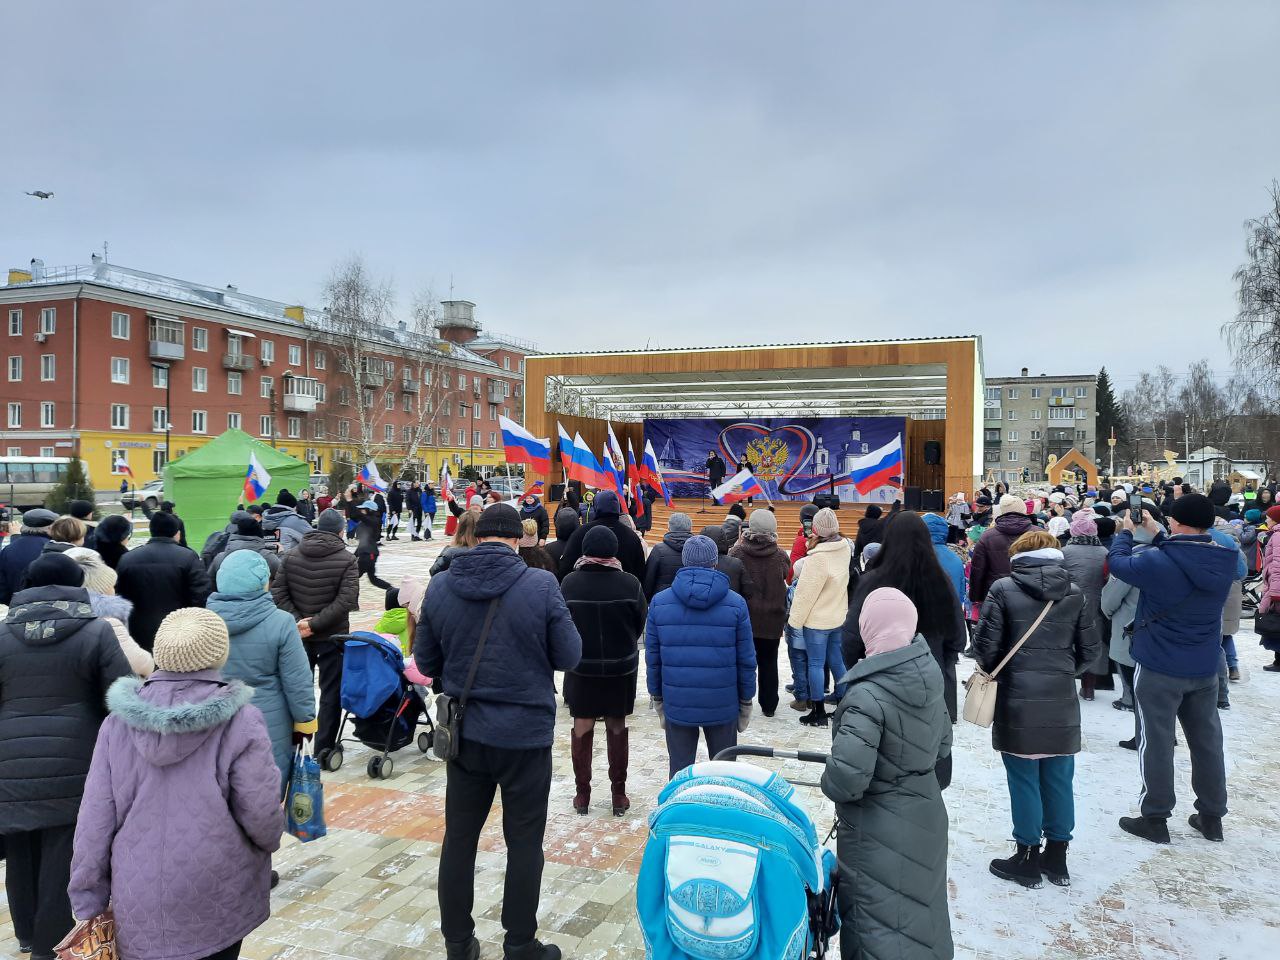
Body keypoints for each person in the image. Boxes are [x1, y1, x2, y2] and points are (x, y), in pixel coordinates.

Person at [415, 503, 582, 960]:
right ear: (516, 539)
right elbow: (569, 655)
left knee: (459, 841)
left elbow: (426, 664)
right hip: (525, 737)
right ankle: (520, 944)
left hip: (466, 735)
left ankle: (458, 943)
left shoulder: (442, 586)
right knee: (524, 842)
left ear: (476, 537)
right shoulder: (540, 584)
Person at [68, 608, 284, 960]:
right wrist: (271, 840)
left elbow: (95, 820)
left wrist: (87, 897)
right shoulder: (241, 721)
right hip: (218, 890)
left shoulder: (116, 725)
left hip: (137, 893)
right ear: (219, 653)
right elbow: (260, 811)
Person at [0, 553, 133, 959]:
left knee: (20, 849)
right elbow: (120, 699)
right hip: (77, 761)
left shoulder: (2, 634)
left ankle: (25, 933)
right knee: (65, 852)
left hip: (10, 761)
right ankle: (49, 945)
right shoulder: (96, 632)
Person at [822, 587, 953, 960]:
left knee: (875, 925)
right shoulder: (928, 677)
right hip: (925, 814)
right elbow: (942, 745)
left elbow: (846, 780)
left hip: (878, 827)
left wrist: (830, 776)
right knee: (921, 919)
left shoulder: (868, 694)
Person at [1109, 493, 1237, 844]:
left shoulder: (1157, 562)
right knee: (1207, 741)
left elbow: (1119, 564)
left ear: (1175, 522)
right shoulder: (1224, 559)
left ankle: (1155, 815)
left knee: (1157, 742)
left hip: (1159, 665)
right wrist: (1161, 534)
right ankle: (1212, 815)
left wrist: (1126, 532)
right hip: (1204, 664)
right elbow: (1187, 559)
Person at [972, 529, 1096, 888]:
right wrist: (1059, 672)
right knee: (1059, 777)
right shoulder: (1074, 593)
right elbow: (1090, 651)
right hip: (1060, 699)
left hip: (1017, 699)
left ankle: (1026, 854)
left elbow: (986, 650)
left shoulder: (1004, 590)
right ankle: (1057, 856)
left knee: (1023, 777)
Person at [844, 511, 966, 788]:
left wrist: (862, 672)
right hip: (932, 687)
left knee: (884, 771)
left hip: (882, 686)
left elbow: (850, 640)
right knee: (928, 773)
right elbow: (958, 638)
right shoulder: (942, 581)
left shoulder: (873, 581)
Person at [645, 535, 756, 777]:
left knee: (680, 773)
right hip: (723, 702)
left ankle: (683, 814)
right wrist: (746, 700)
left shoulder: (660, 603)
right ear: (715, 562)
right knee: (725, 775)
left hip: (678, 700)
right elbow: (746, 659)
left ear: (684, 562)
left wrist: (657, 697)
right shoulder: (735, 604)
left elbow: (653, 659)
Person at [209, 550, 316, 786]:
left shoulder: (204, 621)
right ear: (263, 583)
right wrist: (306, 722)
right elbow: (297, 680)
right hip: (269, 721)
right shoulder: (281, 622)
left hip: (215, 718)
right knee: (265, 788)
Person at [561, 527, 647, 816]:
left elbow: (562, 624)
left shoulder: (570, 583)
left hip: (581, 666)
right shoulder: (630, 583)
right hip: (619, 667)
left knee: (582, 725)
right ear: (614, 551)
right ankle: (618, 794)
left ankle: (582, 794)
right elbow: (639, 623)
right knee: (617, 725)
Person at [271, 508, 360, 764]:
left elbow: (278, 594)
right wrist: (316, 624)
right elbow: (346, 601)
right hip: (332, 636)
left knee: (297, 689)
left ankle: (296, 743)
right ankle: (323, 749)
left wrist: (301, 623)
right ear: (341, 531)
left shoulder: (290, 556)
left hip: (297, 637)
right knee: (330, 691)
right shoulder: (346, 559)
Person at [1100, 503, 1164, 735]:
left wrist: (1108, 613)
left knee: (1139, 689)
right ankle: (1164, 733)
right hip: (1163, 631)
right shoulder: (1168, 550)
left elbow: (1111, 599)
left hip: (1131, 627)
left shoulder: (1134, 556)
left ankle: (1145, 736)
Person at [788, 508, 851, 727]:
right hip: (837, 615)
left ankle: (818, 712)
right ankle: (844, 703)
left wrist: (794, 621)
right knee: (836, 660)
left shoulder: (818, 559)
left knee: (815, 664)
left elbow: (805, 595)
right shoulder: (845, 548)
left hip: (817, 621)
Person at [115, 512, 212, 651]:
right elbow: (201, 594)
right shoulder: (188, 557)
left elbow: (119, 596)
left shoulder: (128, 558)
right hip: (178, 630)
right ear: (177, 533)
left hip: (138, 632)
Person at [729, 509, 792, 717]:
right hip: (772, 618)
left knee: (743, 662)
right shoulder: (780, 555)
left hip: (746, 618)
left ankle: (740, 701)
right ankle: (769, 706)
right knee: (769, 661)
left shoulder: (737, 552)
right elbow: (786, 574)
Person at [64, 547, 154, 677]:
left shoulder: (59, 610)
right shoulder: (111, 617)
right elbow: (141, 664)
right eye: (112, 585)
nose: (114, 589)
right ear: (101, 588)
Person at [1061, 512, 1110, 700]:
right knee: (1092, 643)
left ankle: (1066, 684)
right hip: (1096, 605)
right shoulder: (1105, 553)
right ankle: (1089, 688)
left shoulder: (1065, 552)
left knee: (1066, 643)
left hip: (1069, 604)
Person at [556, 490, 646, 582]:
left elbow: (566, 566)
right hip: (624, 591)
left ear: (596, 507)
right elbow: (640, 571)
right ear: (618, 507)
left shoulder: (581, 532)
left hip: (584, 590)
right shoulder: (631, 536)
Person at [969, 494, 1034, 605]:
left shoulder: (987, 536)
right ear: (1024, 511)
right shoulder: (1040, 534)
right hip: (1032, 594)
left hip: (995, 594)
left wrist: (975, 596)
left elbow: (978, 569)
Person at [0, 507, 57, 605]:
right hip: (51, 608)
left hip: (17, 607)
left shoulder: (8, 550)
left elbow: (2, 588)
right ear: (50, 528)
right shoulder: (55, 548)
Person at [209, 514, 282, 581]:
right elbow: (283, 580)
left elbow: (209, 585)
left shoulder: (220, 557)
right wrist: (281, 554)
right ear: (259, 533)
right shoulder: (268, 557)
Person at [923, 511, 967, 616]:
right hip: (950, 617)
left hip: (923, 619)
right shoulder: (956, 559)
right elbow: (961, 593)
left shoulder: (917, 556)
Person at [643, 512, 693, 599]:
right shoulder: (698, 549)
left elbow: (649, 578)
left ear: (669, 527)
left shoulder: (659, 549)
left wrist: (646, 599)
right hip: (690, 598)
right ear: (690, 528)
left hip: (662, 599)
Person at [700, 525, 753, 597]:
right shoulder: (736, 564)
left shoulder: (694, 563)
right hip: (731, 605)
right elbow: (748, 591)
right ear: (723, 540)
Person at [1258, 503, 1280, 672]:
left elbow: (1278, 565)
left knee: (1276, 623)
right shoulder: (1274, 534)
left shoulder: (1278, 535)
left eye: (1268, 517)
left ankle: (1279, 661)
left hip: (1276, 586)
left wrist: (1275, 592)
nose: (1266, 519)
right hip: (1274, 584)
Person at [354, 498, 392, 590]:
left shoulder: (373, 521)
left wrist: (350, 501)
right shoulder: (365, 522)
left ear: (370, 510)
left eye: (364, 509)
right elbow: (362, 542)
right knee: (373, 579)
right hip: (367, 553)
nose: (361, 510)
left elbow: (361, 516)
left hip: (368, 554)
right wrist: (354, 555)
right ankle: (391, 589)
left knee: (352, 576)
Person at [431, 512, 480, 576]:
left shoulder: (451, 553)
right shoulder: (487, 550)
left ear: (459, 528)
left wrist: (447, 548)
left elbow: (434, 571)